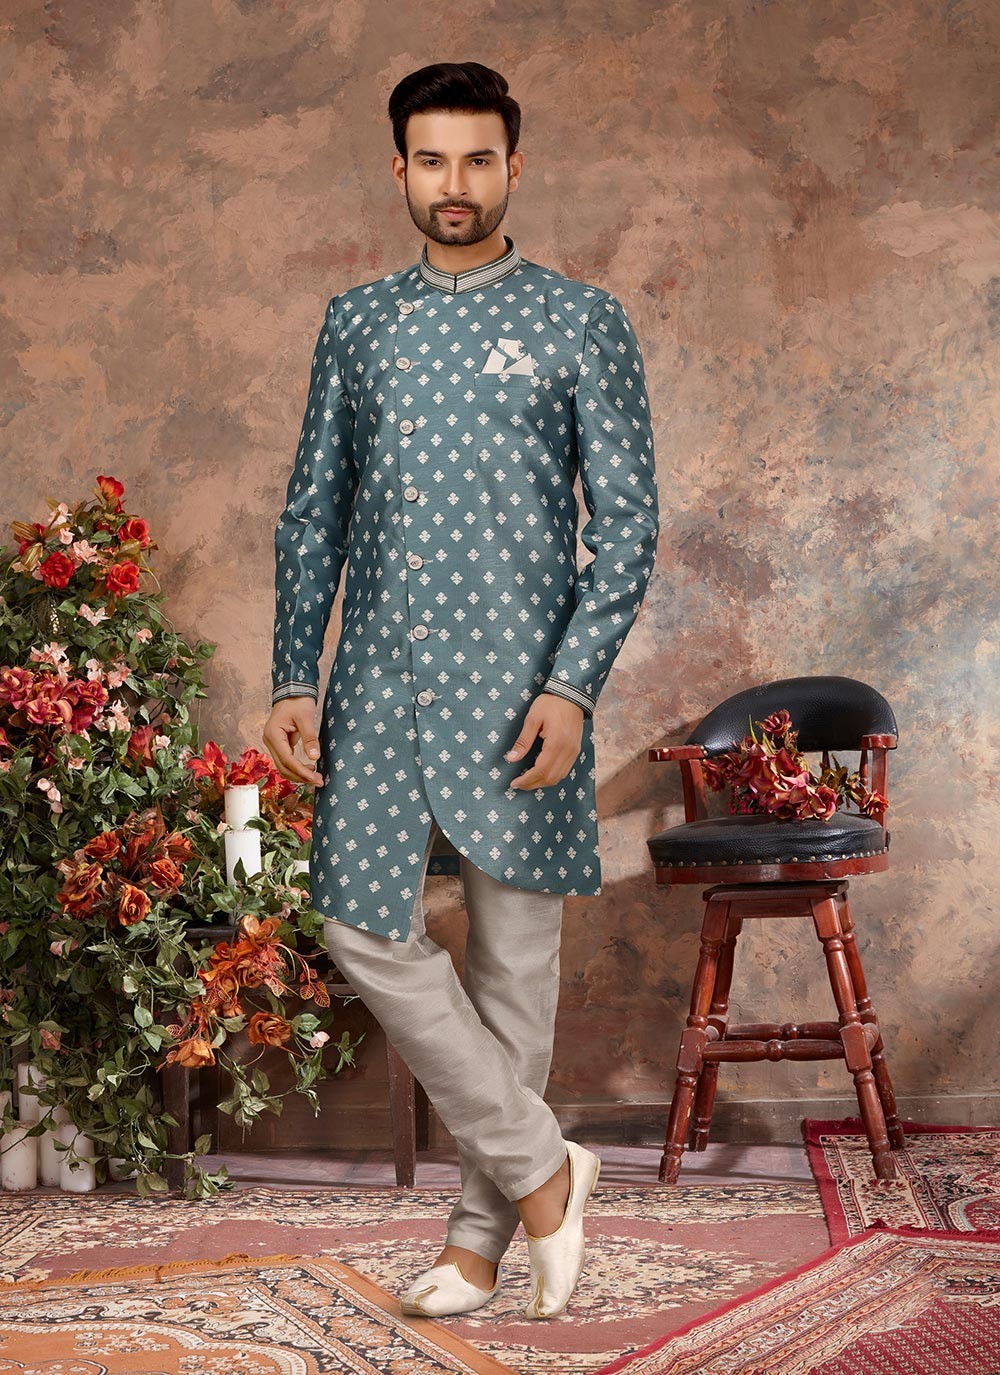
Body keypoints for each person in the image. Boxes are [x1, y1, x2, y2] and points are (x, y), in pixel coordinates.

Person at [263, 61, 659, 1320]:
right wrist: (294, 669)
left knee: (512, 972)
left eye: (477, 159)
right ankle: (546, 1169)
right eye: (431, 160)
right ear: (399, 170)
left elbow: (627, 529)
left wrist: (573, 687)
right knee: (360, 928)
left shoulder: (580, 320)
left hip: (522, 698)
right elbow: (312, 514)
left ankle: (480, 1245)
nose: (454, 183)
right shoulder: (357, 323)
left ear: (512, 167)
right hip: (377, 684)